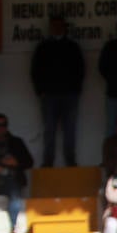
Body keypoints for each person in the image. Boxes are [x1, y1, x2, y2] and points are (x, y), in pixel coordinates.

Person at [30, 15, 84, 168]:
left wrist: (76, 89)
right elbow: (35, 70)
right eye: (54, 25)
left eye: (60, 25)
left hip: (70, 95)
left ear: (65, 27)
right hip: (49, 95)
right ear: (50, 27)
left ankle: (70, 160)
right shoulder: (43, 47)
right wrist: (40, 90)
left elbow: (80, 69)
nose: (57, 28)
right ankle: (48, 161)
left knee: (70, 130)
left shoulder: (73, 47)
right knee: (49, 130)